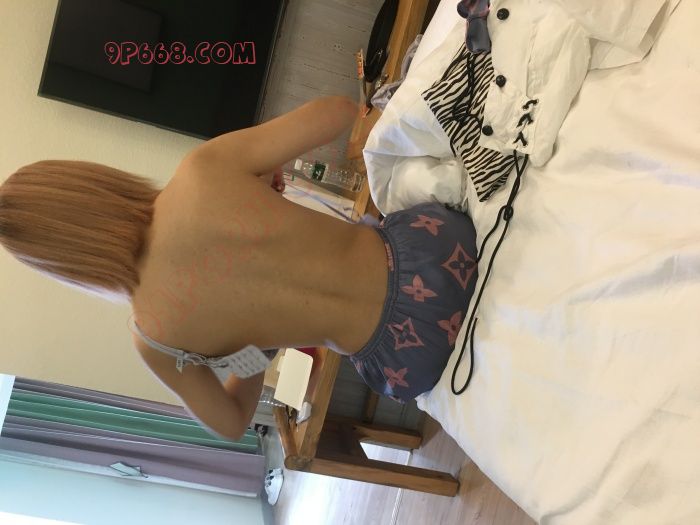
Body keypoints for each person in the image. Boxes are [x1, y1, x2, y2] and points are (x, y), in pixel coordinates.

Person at [0, 96, 478, 441]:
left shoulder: (153, 338)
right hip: (434, 255)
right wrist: (262, 174)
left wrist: (255, 346)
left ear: (66, 266)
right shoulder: (200, 172)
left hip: (407, 358)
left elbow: (231, 424)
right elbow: (337, 113)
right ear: (91, 181)